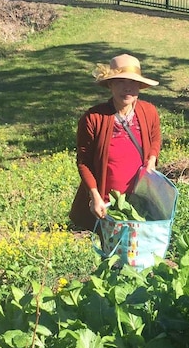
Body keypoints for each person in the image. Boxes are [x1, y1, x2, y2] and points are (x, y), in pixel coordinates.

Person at [68, 53, 162, 231]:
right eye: (120, 82)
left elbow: (155, 138)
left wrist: (152, 158)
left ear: (140, 86)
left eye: (132, 82)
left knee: (139, 252)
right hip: (107, 204)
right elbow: (84, 162)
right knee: (112, 253)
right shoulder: (93, 118)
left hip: (139, 200)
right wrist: (94, 195)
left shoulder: (149, 112)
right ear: (110, 84)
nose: (127, 88)